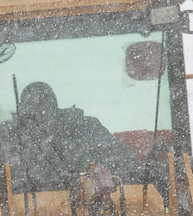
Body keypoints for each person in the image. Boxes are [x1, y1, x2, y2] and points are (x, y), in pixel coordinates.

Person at [10, 81, 140, 190]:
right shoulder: (12, 136)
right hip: (32, 207)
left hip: (93, 201)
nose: (39, 111)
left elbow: (127, 163)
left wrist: (100, 171)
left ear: (54, 103)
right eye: (32, 105)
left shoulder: (86, 127)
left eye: (42, 102)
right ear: (22, 109)